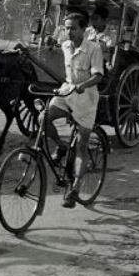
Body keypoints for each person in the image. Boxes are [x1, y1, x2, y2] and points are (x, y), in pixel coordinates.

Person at [43, 12, 103, 208]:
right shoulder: (66, 45)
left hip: (86, 98)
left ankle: (75, 187)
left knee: (81, 145)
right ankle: (60, 145)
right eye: (66, 28)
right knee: (43, 118)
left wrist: (84, 85)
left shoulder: (94, 48)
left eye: (73, 28)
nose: (69, 32)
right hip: (67, 92)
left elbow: (98, 76)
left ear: (83, 30)